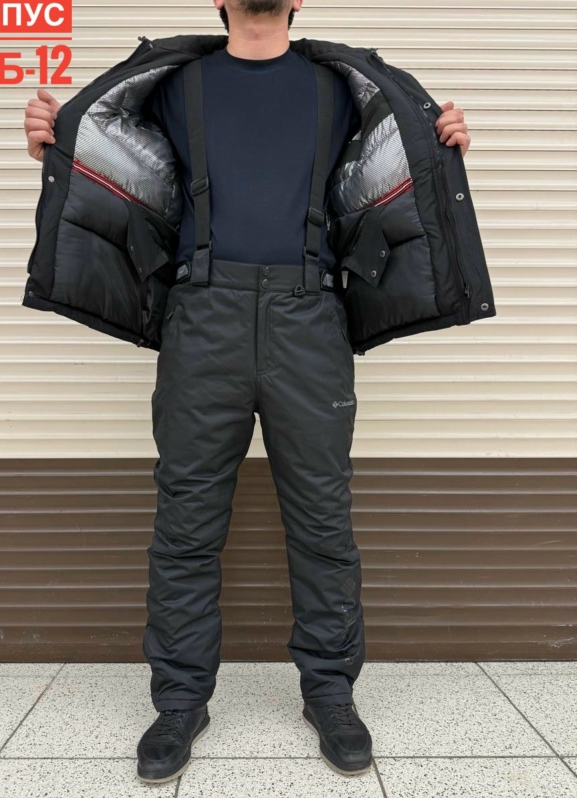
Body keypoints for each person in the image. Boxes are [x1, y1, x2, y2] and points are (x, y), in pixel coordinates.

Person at [24, 0, 471, 785]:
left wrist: (440, 148)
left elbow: (392, 174)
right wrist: (59, 143)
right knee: (186, 522)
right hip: (202, 316)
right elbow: (119, 168)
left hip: (310, 318)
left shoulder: (346, 86)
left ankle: (331, 695)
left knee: (322, 521)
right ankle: (179, 702)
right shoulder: (173, 82)